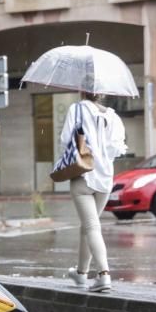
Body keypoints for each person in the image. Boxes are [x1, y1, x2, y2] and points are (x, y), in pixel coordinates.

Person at [61, 91, 127, 293]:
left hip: (83, 174)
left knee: (91, 226)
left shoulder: (77, 109)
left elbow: (65, 139)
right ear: (102, 94)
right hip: (105, 178)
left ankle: (104, 275)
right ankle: (81, 273)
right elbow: (118, 149)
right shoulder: (114, 117)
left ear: (83, 91)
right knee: (89, 227)